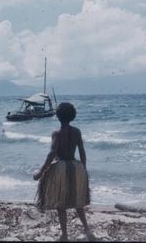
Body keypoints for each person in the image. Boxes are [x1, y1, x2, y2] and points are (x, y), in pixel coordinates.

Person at [33, 102, 95, 241]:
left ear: (57, 115)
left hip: (61, 168)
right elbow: (82, 152)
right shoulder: (77, 131)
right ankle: (87, 231)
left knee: (61, 204)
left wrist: (41, 172)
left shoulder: (57, 133)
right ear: (73, 116)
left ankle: (65, 235)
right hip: (75, 166)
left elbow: (52, 153)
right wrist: (83, 169)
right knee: (78, 201)